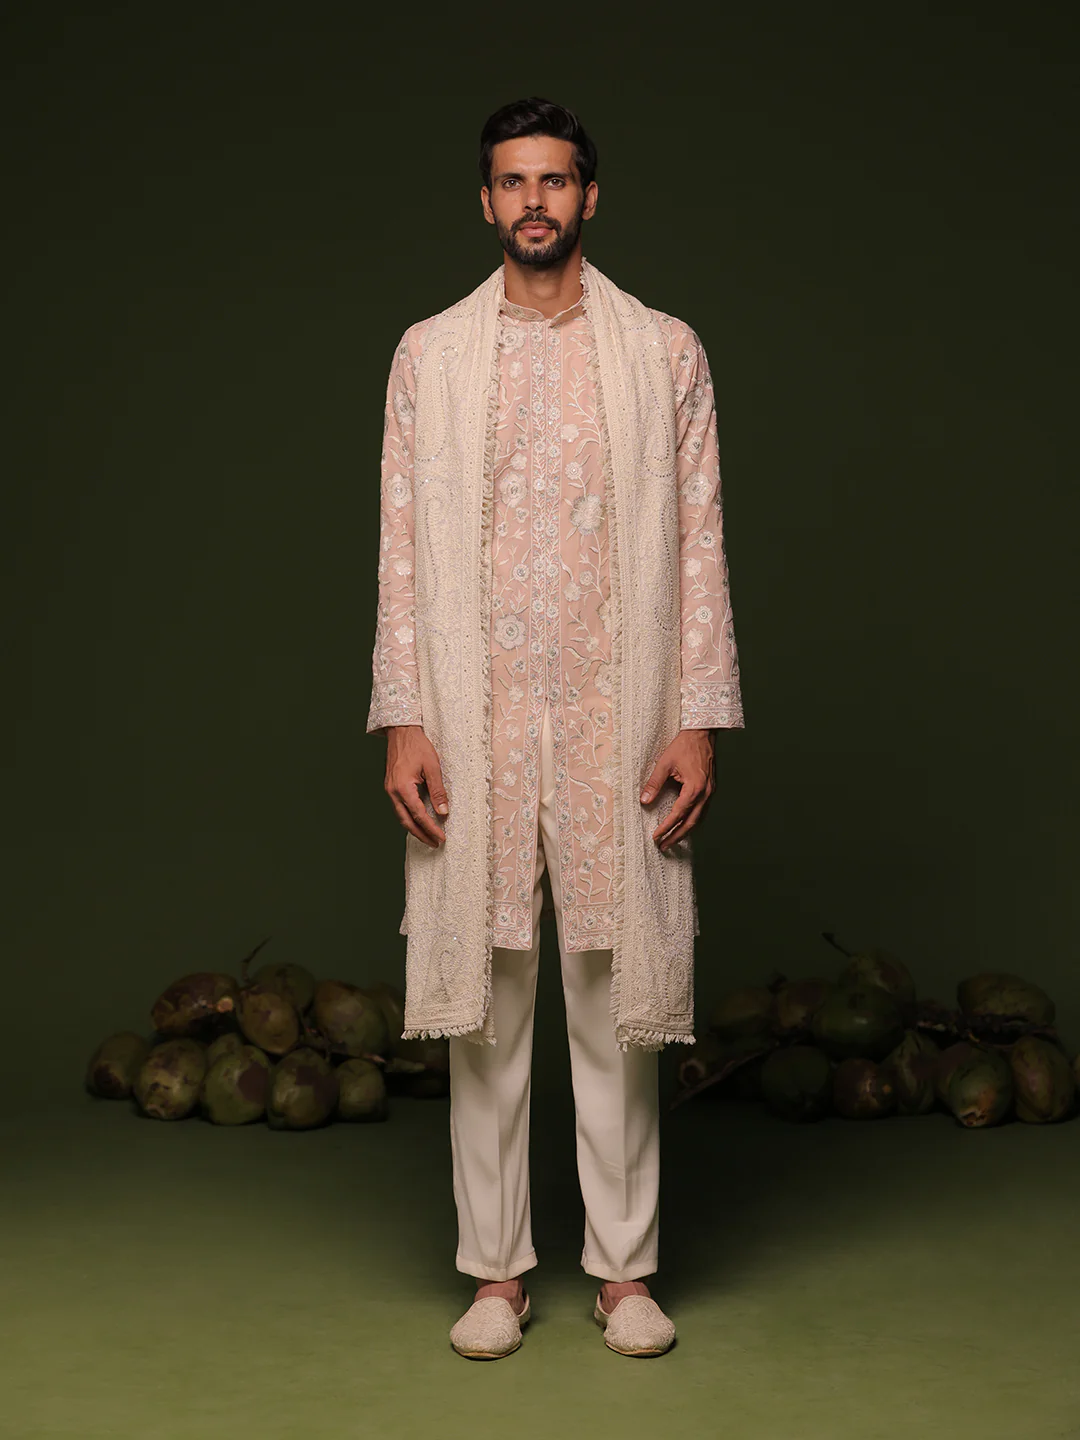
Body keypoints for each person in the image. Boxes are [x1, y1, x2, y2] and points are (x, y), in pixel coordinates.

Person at [367, 97, 745, 1359]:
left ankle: (625, 1274)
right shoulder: (429, 355)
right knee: (487, 996)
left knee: (610, 986)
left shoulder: (664, 353)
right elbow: (399, 553)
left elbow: (699, 542)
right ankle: (496, 1273)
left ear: (590, 196)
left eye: (557, 179)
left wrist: (696, 715)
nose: (535, 201)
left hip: (614, 709)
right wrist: (404, 715)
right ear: (485, 202)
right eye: (514, 181)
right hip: (472, 712)